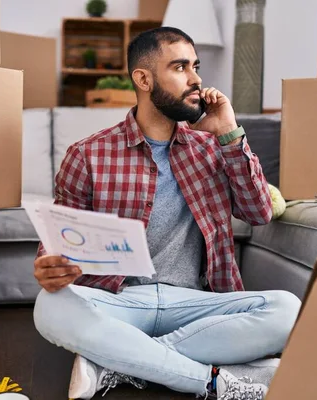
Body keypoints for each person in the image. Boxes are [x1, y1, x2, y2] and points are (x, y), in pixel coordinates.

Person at [32, 27, 301, 399]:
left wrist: (229, 134)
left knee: (288, 309)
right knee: (50, 306)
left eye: (196, 66)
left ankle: (119, 360)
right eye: (180, 68)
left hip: (195, 301)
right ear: (143, 79)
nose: (196, 79)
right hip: (121, 300)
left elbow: (258, 212)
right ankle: (212, 380)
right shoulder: (88, 154)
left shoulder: (212, 148)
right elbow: (56, 241)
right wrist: (50, 265)